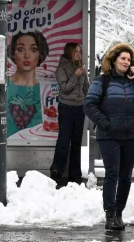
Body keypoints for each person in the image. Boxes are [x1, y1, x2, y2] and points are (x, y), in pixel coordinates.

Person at [83, 42, 134, 231]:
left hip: (131, 134)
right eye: (123, 58)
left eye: (129, 59)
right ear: (113, 60)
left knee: (126, 176)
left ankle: (119, 214)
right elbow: (89, 105)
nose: (126, 61)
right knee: (112, 174)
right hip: (109, 135)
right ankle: (110, 215)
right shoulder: (101, 81)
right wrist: (106, 124)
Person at [50, 42, 88, 186]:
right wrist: (75, 75)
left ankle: (75, 173)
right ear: (69, 52)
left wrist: (89, 99)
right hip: (66, 107)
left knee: (76, 141)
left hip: (80, 107)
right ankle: (56, 169)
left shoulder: (81, 67)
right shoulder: (61, 67)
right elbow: (65, 88)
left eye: (80, 51)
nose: (79, 54)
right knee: (64, 139)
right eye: (76, 51)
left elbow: (86, 88)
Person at [7, 31, 49, 136]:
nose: (27, 55)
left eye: (33, 49)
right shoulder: (4, 85)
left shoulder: (45, 89)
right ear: (13, 53)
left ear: (40, 54)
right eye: (21, 49)